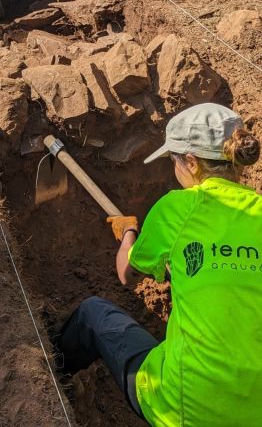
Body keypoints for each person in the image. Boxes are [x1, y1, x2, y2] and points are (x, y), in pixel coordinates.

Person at [57, 102, 262, 426]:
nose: (174, 169)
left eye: (174, 161)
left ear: (192, 163)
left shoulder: (179, 208)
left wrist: (128, 232)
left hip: (185, 406)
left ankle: (53, 376)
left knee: (94, 313)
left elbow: (127, 274)